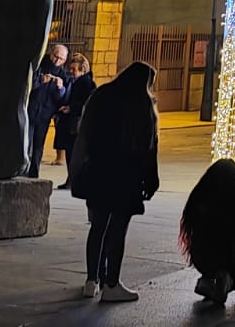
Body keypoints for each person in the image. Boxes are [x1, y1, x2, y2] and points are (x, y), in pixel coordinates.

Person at [70, 60, 160, 303]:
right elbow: (149, 147)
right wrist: (151, 179)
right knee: (118, 230)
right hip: (126, 176)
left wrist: (77, 170)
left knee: (98, 227)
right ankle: (112, 282)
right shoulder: (141, 103)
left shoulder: (102, 96)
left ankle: (92, 280)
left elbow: (84, 135)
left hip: (99, 171)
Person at [179, 157, 235, 306]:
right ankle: (227, 283)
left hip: (202, 258)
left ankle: (209, 280)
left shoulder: (199, 196)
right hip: (232, 258)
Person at [54, 53, 97, 190]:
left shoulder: (86, 83)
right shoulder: (74, 81)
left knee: (75, 153)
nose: (71, 72)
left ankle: (76, 180)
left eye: (74, 70)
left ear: (82, 70)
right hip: (70, 122)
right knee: (70, 152)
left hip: (77, 123)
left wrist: (72, 108)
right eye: (71, 69)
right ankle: (72, 179)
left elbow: (88, 103)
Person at [27, 42, 69, 177]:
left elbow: (62, 99)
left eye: (61, 59)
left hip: (45, 114)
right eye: (55, 56)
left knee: (38, 144)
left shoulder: (63, 74)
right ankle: (22, 169)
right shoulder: (39, 65)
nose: (57, 61)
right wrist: (40, 80)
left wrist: (60, 88)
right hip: (30, 110)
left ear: (65, 60)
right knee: (26, 142)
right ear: (51, 53)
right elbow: (27, 87)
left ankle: (34, 172)